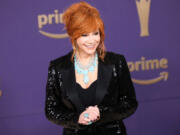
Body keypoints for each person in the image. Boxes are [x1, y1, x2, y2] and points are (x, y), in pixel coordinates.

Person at [45, 1, 138, 135]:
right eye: (84, 35)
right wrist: (77, 118)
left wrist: (102, 112)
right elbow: (51, 110)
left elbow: (130, 103)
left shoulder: (116, 62)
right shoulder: (58, 68)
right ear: (73, 35)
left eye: (96, 33)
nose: (92, 40)